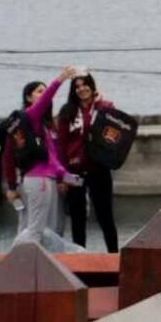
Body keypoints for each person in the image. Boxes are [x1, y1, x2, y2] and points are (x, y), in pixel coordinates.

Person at [3, 66, 78, 246]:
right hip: (38, 179)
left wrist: (70, 178)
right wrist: (59, 80)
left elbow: (52, 160)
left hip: (48, 179)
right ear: (29, 98)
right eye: (39, 92)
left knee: (47, 229)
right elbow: (8, 157)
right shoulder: (29, 117)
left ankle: (39, 265)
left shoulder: (44, 126)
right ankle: (17, 262)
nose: (43, 95)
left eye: (44, 92)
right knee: (35, 229)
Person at [58, 71, 120, 252]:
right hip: (73, 171)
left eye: (85, 84)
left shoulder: (105, 106)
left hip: (99, 168)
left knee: (105, 217)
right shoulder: (67, 111)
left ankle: (114, 256)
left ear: (92, 86)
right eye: (77, 86)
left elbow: (114, 128)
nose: (81, 89)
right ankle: (80, 258)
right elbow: (60, 145)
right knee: (77, 218)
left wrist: (99, 103)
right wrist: (62, 176)